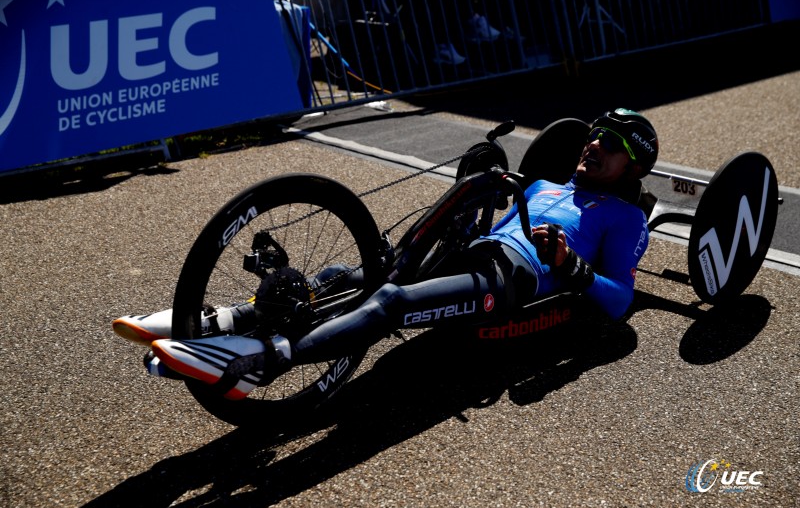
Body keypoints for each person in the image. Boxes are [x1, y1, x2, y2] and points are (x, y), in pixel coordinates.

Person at [113, 108, 658, 400]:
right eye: (596, 133)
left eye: (613, 144)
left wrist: (570, 266)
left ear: (634, 168)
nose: (595, 143)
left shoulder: (625, 216)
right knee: (343, 274)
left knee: (392, 300)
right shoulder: (542, 185)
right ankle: (225, 321)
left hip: (509, 283)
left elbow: (619, 300)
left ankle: (263, 361)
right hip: (471, 254)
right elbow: (486, 219)